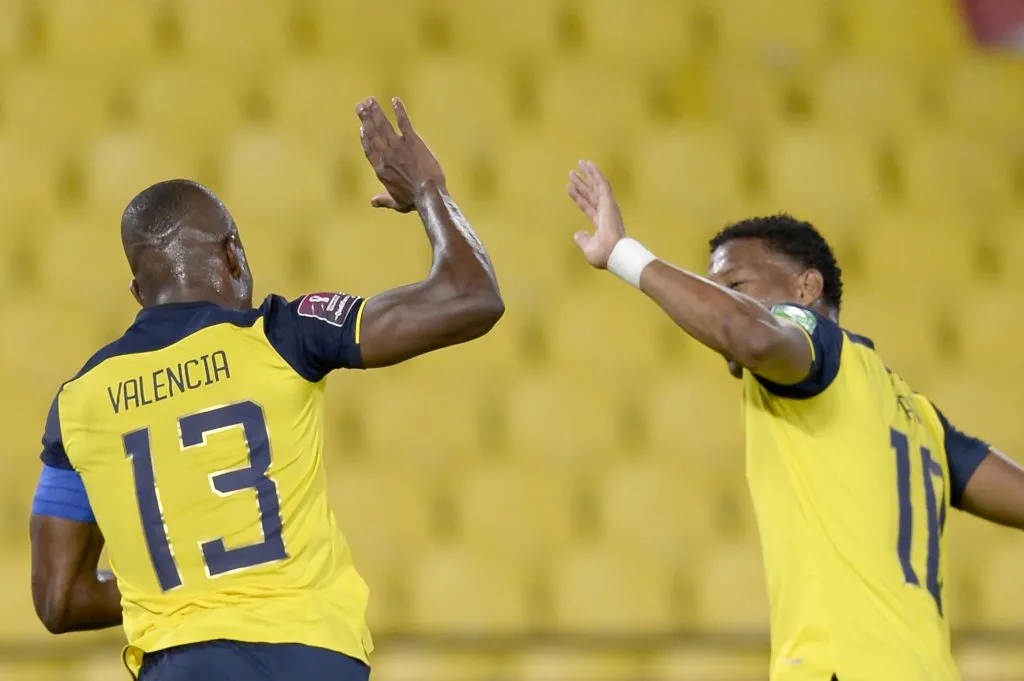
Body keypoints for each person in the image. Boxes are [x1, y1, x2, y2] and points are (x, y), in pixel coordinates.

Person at [28, 96, 503, 681]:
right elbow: (470, 297)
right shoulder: (281, 334)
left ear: (137, 293)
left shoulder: (77, 403)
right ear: (234, 254)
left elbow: (59, 599)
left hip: (180, 667)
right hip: (308, 656)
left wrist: (178, 572)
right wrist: (428, 189)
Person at [565, 160, 1024, 681]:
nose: (724, 300)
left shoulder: (813, 344)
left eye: (736, 283)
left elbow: (753, 335)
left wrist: (623, 255)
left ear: (806, 289)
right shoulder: (918, 417)